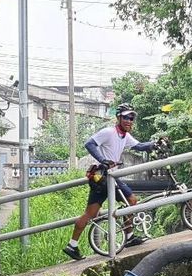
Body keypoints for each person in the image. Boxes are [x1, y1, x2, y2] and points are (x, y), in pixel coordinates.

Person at [63, 104, 165, 261]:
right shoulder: (109, 132)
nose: (129, 121)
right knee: (131, 201)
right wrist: (103, 160)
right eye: (126, 117)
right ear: (118, 117)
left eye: (131, 118)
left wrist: (154, 144)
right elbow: (89, 144)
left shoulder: (125, 136)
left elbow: (139, 146)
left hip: (108, 178)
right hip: (105, 177)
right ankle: (129, 237)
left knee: (91, 213)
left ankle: (72, 245)